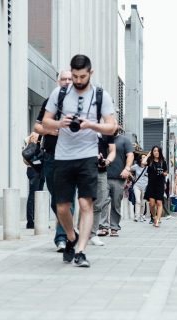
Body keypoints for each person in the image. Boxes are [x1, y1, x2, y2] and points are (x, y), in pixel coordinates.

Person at [42, 54, 118, 267]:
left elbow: (112, 127)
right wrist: (60, 123)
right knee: (62, 207)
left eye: (82, 76)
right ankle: (71, 237)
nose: (77, 80)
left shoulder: (101, 95)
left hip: (87, 155)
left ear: (90, 73)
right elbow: (44, 123)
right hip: (63, 156)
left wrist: (90, 125)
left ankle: (81, 251)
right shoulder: (60, 92)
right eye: (74, 76)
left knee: (86, 203)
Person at [34, 70, 73, 251]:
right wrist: (50, 131)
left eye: (69, 79)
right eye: (63, 79)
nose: (66, 82)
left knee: (67, 198)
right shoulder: (50, 102)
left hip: (71, 157)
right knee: (56, 199)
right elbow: (37, 126)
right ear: (58, 82)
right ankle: (67, 229)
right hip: (50, 156)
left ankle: (62, 238)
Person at [102, 130, 134, 236]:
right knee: (103, 202)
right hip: (103, 176)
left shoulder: (124, 140)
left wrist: (127, 169)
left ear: (118, 127)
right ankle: (103, 227)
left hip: (119, 177)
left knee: (116, 203)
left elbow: (130, 155)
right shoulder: (102, 138)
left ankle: (114, 227)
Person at [88, 133, 115, 246]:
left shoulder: (106, 130)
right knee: (84, 201)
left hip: (101, 170)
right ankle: (80, 232)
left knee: (99, 202)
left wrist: (106, 161)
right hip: (84, 168)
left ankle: (93, 234)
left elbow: (112, 150)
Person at [24, 132, 45, 229]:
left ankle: (39, 220)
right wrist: (39, 162)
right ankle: (30, 221)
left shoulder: (38, 146)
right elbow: (27, 161)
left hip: (40, 171)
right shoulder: (30, 147)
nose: (38, 139)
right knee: (33, 195)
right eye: (37, 137)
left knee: (39, 196)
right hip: (33, 171)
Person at [144, 146, 168, 227]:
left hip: (160, 184)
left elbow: (166, 172)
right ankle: (154, 217)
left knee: (159, 202)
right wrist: (148, 155)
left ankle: (157, 220)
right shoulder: (150, 161)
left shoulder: (163, 162)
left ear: (160, 152)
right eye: (154, 151)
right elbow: (143, 163)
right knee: (151, 204)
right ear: (152, 152)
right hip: (151, 184)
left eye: (158, 151)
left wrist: (162, 173)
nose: (156, 152)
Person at [130, 154, 149, 222]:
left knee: (143, 202)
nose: (145, 158)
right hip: (137, 186)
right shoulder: (136, 166)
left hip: (145, 186)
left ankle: (142, 215)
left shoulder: (148, 167)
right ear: (140, 159)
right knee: (138, 201)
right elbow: (128, 169)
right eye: (143, 157)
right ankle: (136, 216)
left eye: (145, 157)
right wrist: (132, 177)